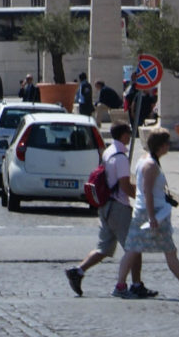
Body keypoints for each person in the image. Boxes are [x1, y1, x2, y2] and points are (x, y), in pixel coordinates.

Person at [116, 128, 179, 301]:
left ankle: (121, 285)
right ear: (161, 146)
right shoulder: (150, 165)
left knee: (136, 248)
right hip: (153, 212)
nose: (169, 146)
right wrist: (152, 217)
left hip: (148, 210)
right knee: (162, 249)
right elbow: (147, 191)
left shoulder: (145, 160)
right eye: (167, 143)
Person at [66, 121, 137, 297]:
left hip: (105, 205)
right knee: (134, 247)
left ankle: (78, 271)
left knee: (104, 248)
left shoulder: (108, 152)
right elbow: (125, 186)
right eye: (128, 133)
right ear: (123, 135)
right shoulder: (120, 157)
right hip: (118, 206)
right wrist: (142, 196)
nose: (130, 136)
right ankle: (135, 285)